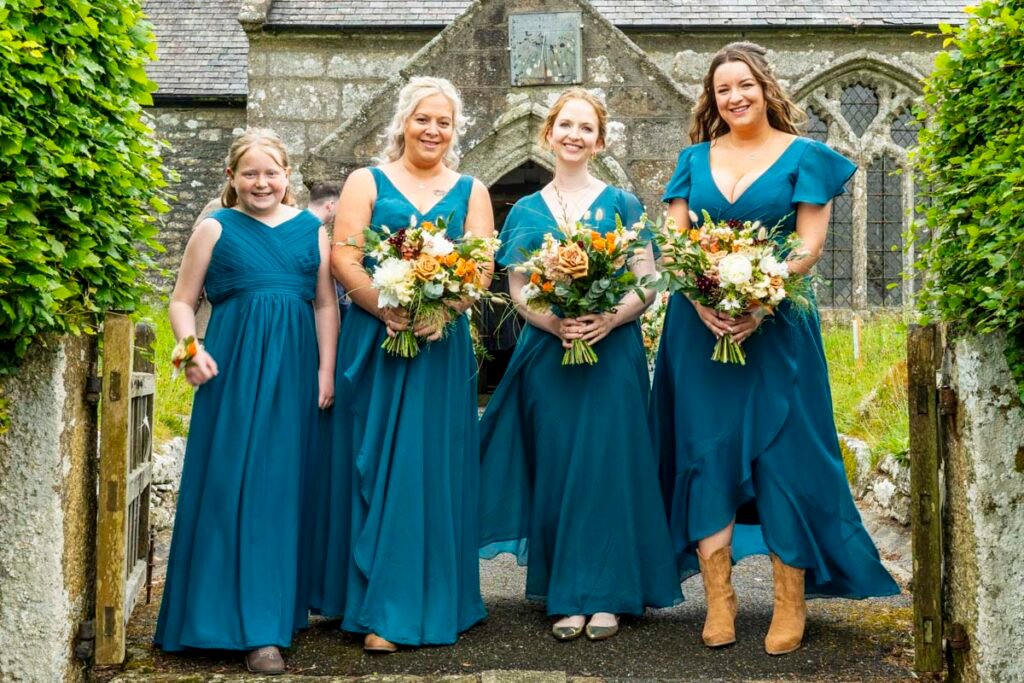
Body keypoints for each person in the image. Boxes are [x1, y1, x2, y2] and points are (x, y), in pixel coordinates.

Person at [651, 42, 899, 655]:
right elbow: (675, 241)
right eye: (721, 90)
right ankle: (721, 599)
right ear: (711, 99)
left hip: (778, 326)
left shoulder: (806, 157)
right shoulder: (692, 159)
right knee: (705, 452)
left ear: (766, 88)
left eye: (744, 85)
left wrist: (761, 298)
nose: (734, 97)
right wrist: (703, 297)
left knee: (785, 457)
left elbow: (808, 245)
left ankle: (789, 603)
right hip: (699, 331)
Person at [478, 88, 682, 642]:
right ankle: (568, 594)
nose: (574, 135)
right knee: (562, 466)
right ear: (550, 134)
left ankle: (610, 594)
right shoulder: (524, 210)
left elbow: (648, 281)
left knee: (609, 466)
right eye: (565, 125)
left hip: (611, 353)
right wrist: (556, 323)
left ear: (599, 139)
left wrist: (610, 318)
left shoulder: (622, 203)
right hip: (550, 353)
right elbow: (519, 291)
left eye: (585, 128)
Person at [307, 76, 493, 652]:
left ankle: (424, 601)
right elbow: (344, 255)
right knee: (372, 462)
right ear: (403, 124)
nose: (432, 130)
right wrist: (384, 305)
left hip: (440, 345)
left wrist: (447, 306)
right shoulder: (367, 180)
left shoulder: (472, 188)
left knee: (428, 467)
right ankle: (370, 601)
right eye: (422, 119)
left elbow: (481, 267)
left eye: (443, 121)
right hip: (377, 338)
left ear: (454, 130)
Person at [154, 129, 339, 674]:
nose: (262, 183)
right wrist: (189, 351)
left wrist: (326, 370)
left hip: (297, 370)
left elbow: (325, 305)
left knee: (280, 489)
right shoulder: (214, 227)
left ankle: (267, 625)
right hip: (232, 371)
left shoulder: (314, 230)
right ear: (233, 179)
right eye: (251, 173)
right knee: (228, 485)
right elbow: (182, 301)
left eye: (272, 173)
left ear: (287, 177)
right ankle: (214, 620)